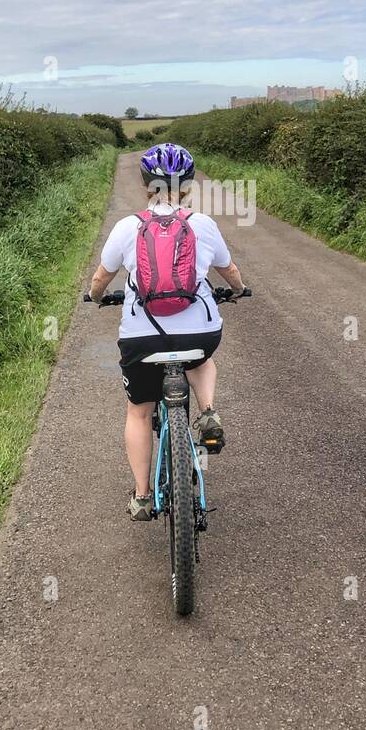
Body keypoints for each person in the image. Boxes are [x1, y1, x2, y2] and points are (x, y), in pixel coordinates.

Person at [88, 143, 247, 520]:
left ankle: (142, 497)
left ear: (146, 184)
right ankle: (207, 411)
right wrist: (238, 291)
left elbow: (100, 279)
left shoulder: (128, 227)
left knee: (138, 413)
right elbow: (230, 272)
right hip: (200, 332)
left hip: (141, 337)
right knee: (202, 358)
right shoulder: (202, 224)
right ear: (189, 184)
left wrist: (96, 297)